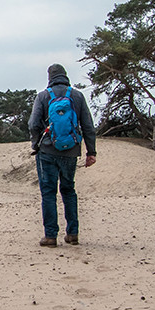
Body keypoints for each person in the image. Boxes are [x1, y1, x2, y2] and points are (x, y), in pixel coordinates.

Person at [28, 63, 97, 246]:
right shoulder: (77, 96)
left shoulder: (43, 96)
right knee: (68, 190)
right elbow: (88, 126)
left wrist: (36, 143)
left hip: (47, 151)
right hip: (70, 151)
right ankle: (72, 233)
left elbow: (34, 124)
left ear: (50, 77)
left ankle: (51, 236)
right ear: (65, 76)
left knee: (48, 192)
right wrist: (91, 152)